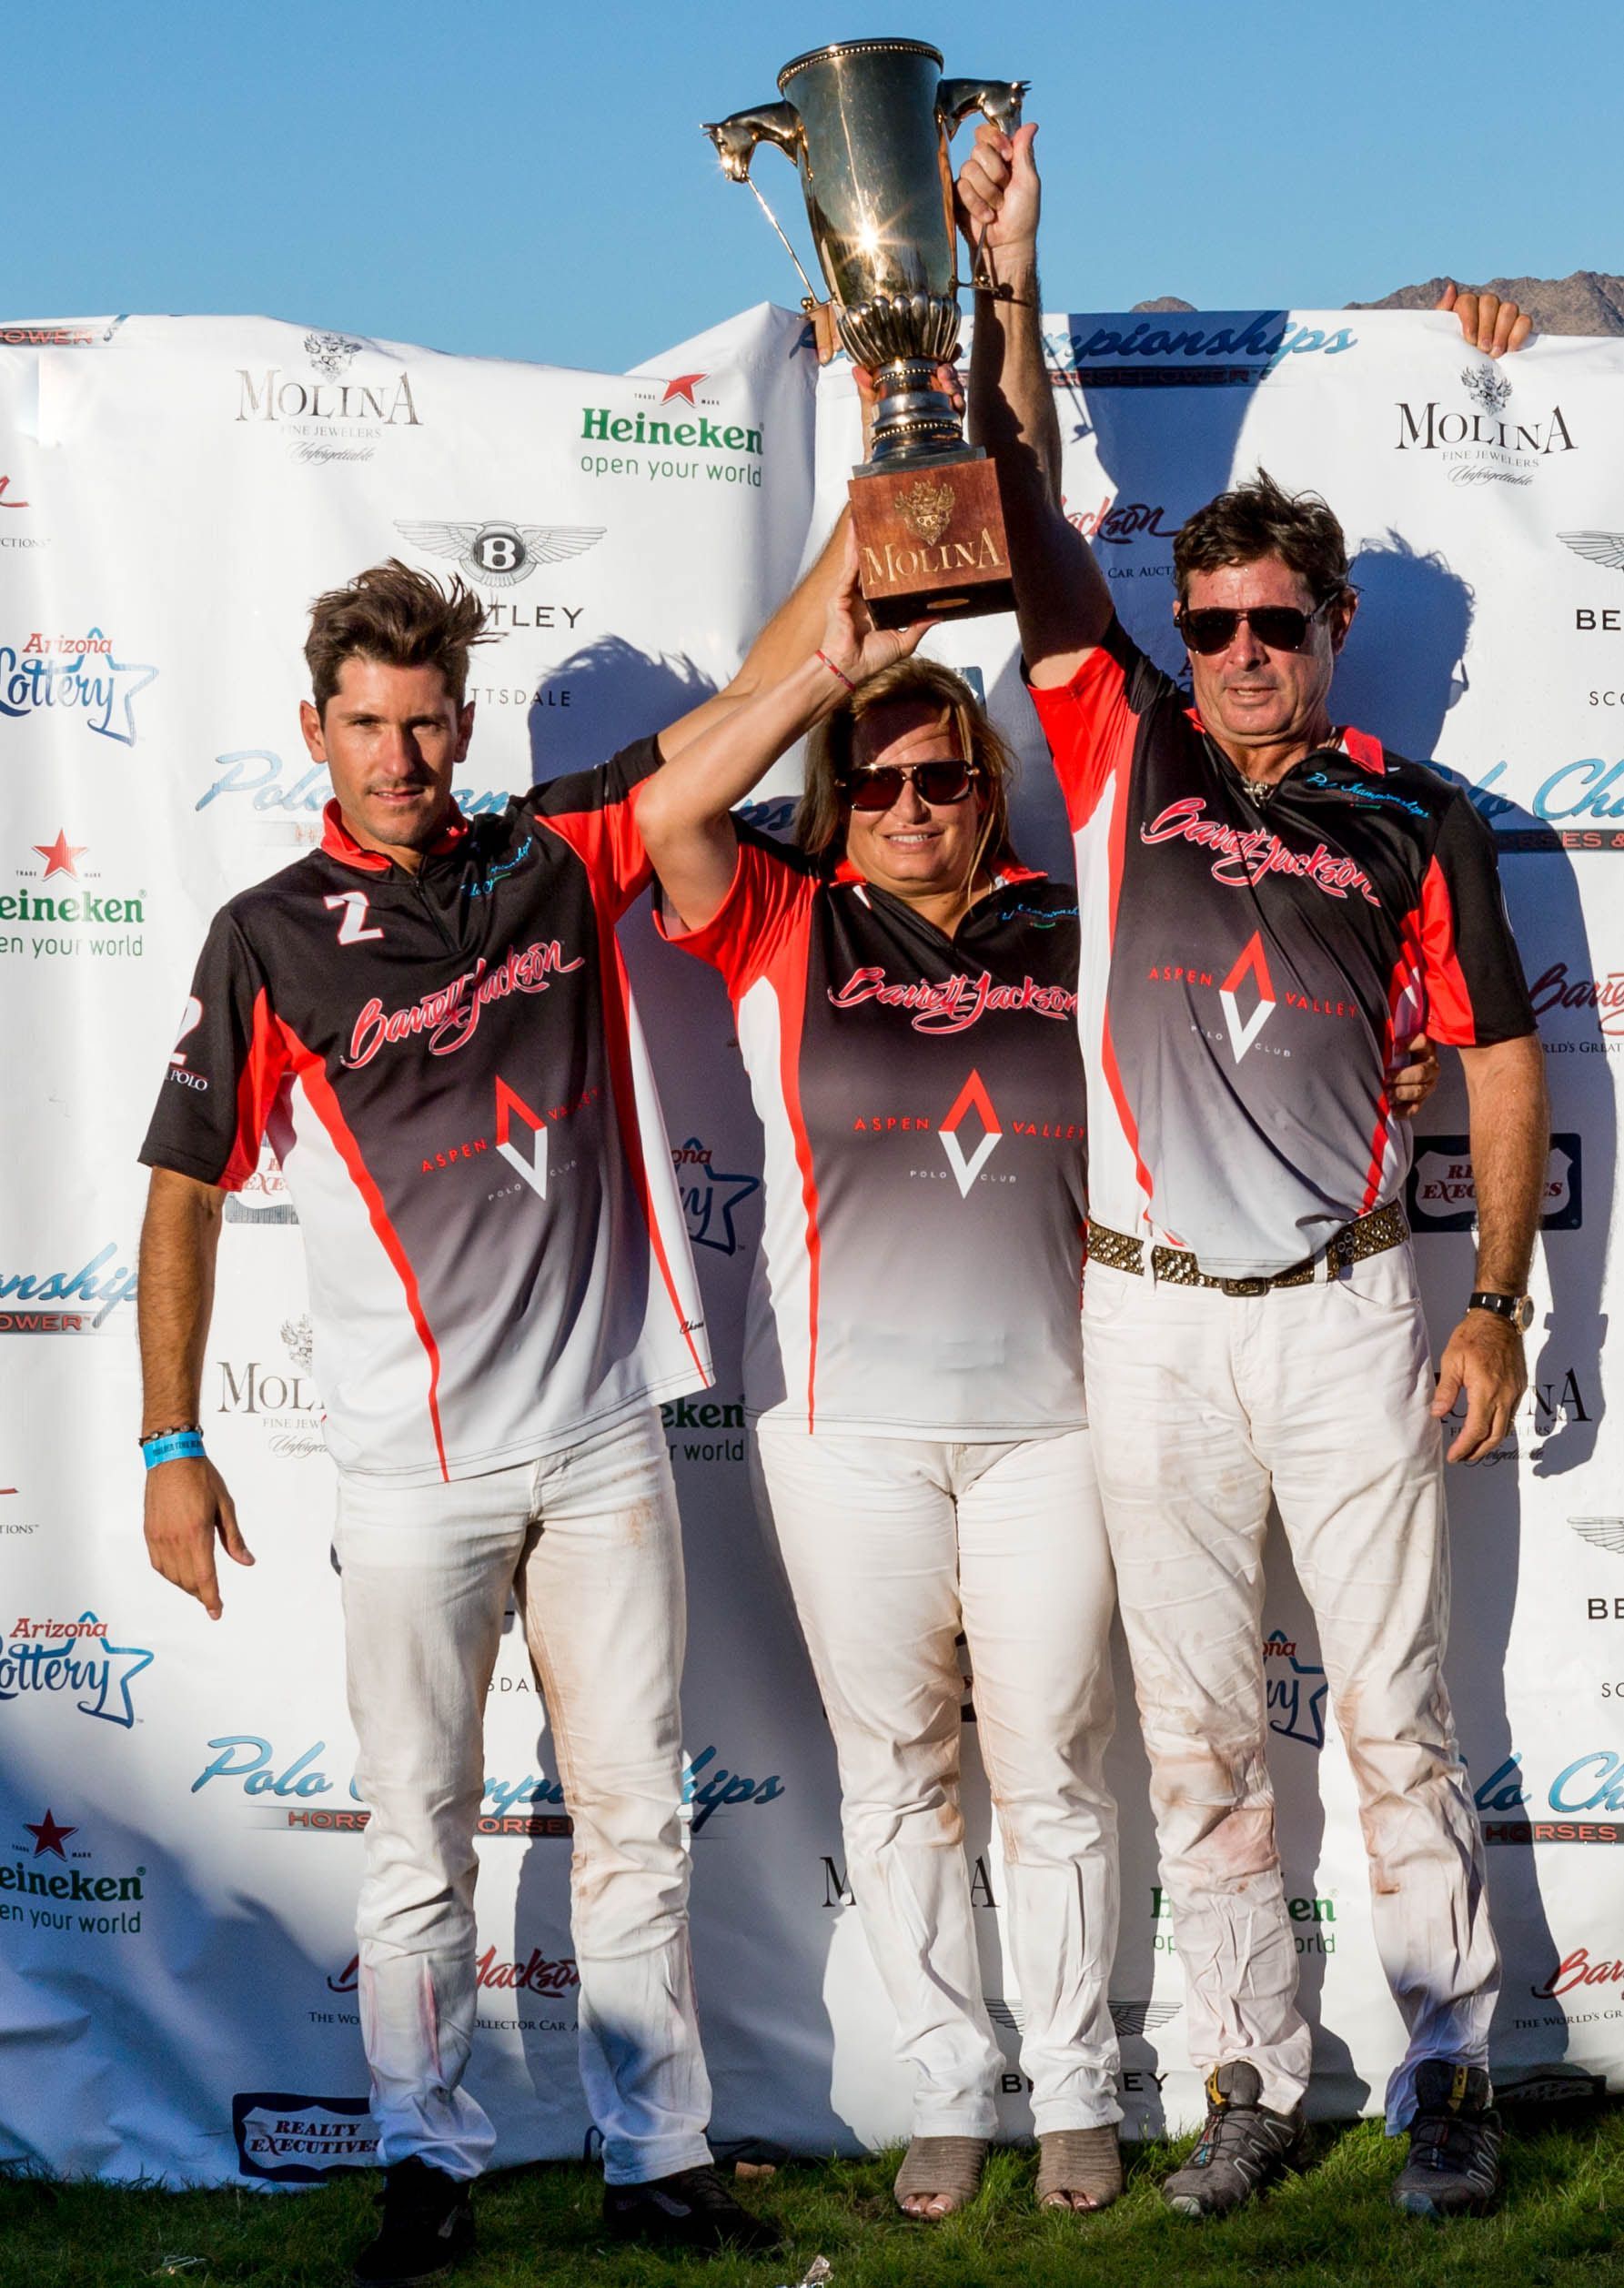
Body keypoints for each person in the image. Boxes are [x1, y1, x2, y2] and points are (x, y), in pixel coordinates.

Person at [636, 529, 1441, 2222]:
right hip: (837, 1427)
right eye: (879, 779)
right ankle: (948, 2087)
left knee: (1060, 1771)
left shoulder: (1074, 922)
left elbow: (1257, 991)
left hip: (1054, 1419)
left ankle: (1076, 2086)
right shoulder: (783, 920)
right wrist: (824, 677)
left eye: (943, 776)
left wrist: (1398, 1050)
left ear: (987, 788)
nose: (913, 803)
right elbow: (665, 827)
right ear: (839, 792)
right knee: (899, 1771)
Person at [957, 122, 1548, 2222]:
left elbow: (1495, 1056)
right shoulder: (1110, 749)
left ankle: (1450, 2070)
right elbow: (1016, 503)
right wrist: (1012, 275)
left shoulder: (1418, 815)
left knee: (1391, 1718)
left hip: (1342, 1308)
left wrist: (1490, 1299)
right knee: (1198, 1735)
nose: (1233, 655)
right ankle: (1243, 2075)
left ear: (1333, 624)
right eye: (1203, 622)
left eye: (1271, 624)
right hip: (1139, 1319)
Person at [136, 559, 809, 2279]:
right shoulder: (267, 936)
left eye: (427, 719)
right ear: (317, 731)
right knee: (415, 1845)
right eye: (367, 724)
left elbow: (746, 709)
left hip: (600, 1441)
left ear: (463, 719)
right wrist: (168, 1443)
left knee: (637, 1823)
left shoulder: (554, 850)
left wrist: (873, 569)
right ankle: (424, 2166)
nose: (402, 753)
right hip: (411, 1472)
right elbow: (185, 1196)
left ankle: (656, 2160)